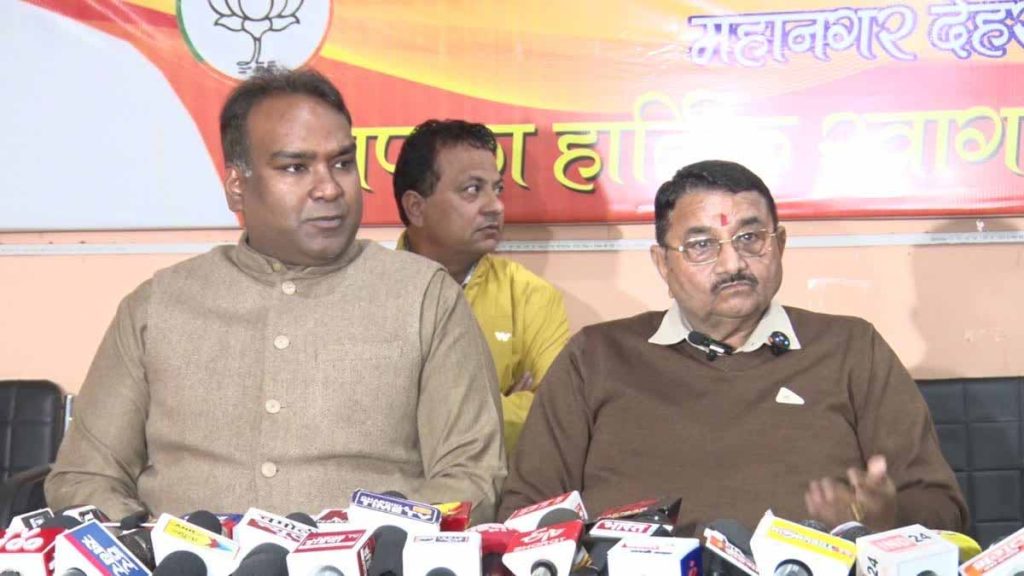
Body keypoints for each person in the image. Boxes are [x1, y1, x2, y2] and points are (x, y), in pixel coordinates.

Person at [45, 69, 506, 523]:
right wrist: (149, 543)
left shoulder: (425, 298)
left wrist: (371, 546)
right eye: (295, 167)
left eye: (342, 163)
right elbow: (84, 476)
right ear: (237, 187)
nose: (329, 188)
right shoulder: (157, 307)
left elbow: (471, 477)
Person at [499, 160, 968, 534]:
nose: (732, 263)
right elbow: (526, 514)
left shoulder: (851, 349)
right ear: (662, 264)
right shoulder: (596, 357)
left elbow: (945, 511)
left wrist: (883, 518)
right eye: (702, 245)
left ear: (779, 245)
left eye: (750, 238)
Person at [392, 119, 569, 454]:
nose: (495, 206)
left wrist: (420, 413)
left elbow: (559, 414)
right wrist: (501, 406)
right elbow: (353, 415)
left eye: (497, 189)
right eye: (472, 190)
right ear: (416, 207)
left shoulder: (530, 296)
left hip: (491, 486)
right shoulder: (367, 292)